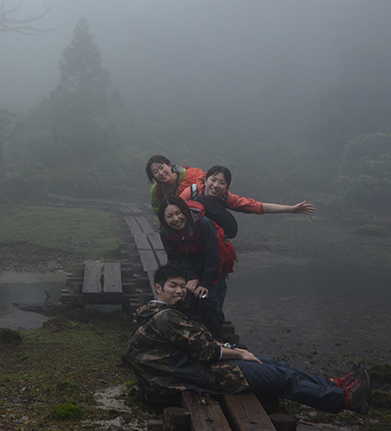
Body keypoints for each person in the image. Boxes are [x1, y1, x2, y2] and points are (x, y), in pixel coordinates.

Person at [125, 265, 370, 414]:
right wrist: (240, 353)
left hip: (188, 368)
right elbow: (206, 352)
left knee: (275, 365)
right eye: (172, 286)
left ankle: (333, 384)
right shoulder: (166, 317)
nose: (179, 291)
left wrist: (227, 347)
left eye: (181, 286)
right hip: (194, 375)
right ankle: (345, 400)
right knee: (279, 379)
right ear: (159, 287)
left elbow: (195, 342)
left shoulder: (160, 312)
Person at [158, 195, 236, 340]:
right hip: (190, 265)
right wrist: (191, 277)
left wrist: (205, 283)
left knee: (207, 299)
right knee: (187, 297)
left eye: (178, 213)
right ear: (164, 219)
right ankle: (191, 335)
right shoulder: (166, 233)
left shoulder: (203, 225)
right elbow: (175, 259)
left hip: (215, 265)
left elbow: (215, 256)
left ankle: (213, 338)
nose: (175, 219)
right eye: (169, 216)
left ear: (185, 212)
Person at [181, 165, 315, 238]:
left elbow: (256, 206)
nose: (216, 185)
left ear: (227, 188)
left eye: (221, 183)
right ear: (205, 180)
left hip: (210, 238)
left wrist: (291, 209)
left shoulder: (226, 198)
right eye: (213, 180)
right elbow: (172, 209)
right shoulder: (192, 192)